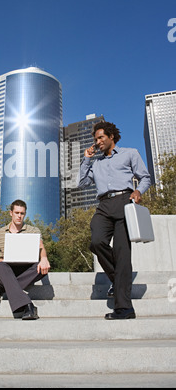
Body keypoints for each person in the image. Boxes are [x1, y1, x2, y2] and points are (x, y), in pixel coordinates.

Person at [76, 121, 151, 320]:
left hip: (125, 201)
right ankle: (118, 279)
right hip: (104, 205)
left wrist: (138, 190)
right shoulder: (97, 162)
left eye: (101, 138)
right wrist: (86, 160)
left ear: (111, 137)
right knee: (96, 241)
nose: (98, 142)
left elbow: (145, 178)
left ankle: (124, 309)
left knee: (122, 253)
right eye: (96, 139)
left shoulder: (130, 153)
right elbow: (82, 182)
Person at [0, 199, 50, 320]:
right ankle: (28, 305)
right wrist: (4, 260)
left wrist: (44, 258)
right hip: (5, 270)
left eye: (22, 213)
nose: (19, 216)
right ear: (11, 213)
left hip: (25, 270)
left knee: (40, 265)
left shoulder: (33, 230)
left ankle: (2, 289)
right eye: (17, 213)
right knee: (0, 266)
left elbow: (41, 249)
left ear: (24, 214)